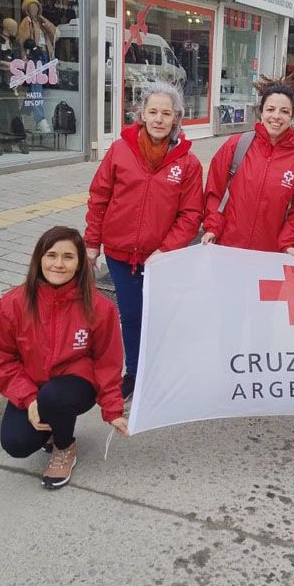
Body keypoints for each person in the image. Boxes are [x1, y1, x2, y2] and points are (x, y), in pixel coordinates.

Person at [0, 226, 128, 490]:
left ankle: (64, 446)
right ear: (39, 259)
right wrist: (28, 398)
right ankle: (51, 425)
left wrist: (113, 410)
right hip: (33, 385)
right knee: (16, 443)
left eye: (68, 257)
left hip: (75, 386)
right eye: (51, 255)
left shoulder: (99, 307)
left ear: (80, 263)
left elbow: (108, 362)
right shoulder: (13, 303)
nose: (58, 264)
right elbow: (0, 358)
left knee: (54, 397)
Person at [85, 81, 204, 399]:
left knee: (160, 316)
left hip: (161, 259)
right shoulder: (120, 150)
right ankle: (135, 372)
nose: (159, 119)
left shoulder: (188, 163)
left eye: (166, 113)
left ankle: (160, 369)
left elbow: (191, 214)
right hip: (120, 253)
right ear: (142, 114)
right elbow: (99, 197)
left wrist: (166, 249)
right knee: (131, 315)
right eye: (153, 112)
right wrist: (92, 243)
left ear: (177, 117)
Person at [202, 82, 294, 260]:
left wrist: (289, 242)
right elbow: (215, 191)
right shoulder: (236, 145)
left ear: (292, 116)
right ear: (261, 112)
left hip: (270, 256)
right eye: (270, 109)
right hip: (227, 249)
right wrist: (213, 227)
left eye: (284, 111)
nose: (276, 116)